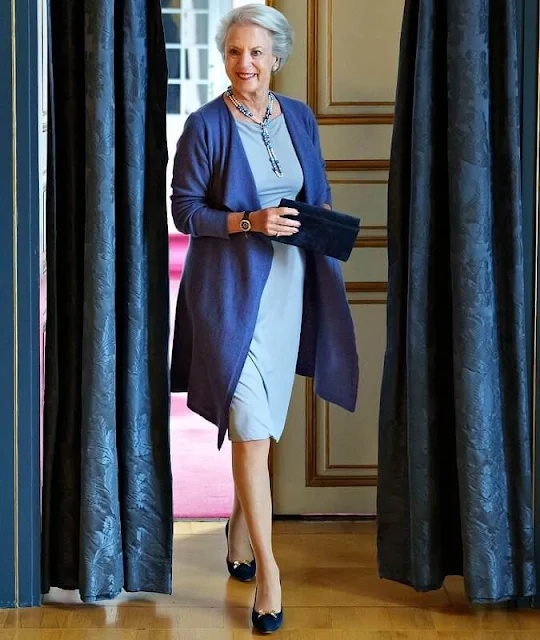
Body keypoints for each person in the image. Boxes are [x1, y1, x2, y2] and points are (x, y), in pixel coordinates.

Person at [170, 3, 358, 634]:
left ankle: (237, 530)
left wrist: (319, 216)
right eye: (233, 52)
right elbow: (186, 214)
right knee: (250, 425)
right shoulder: (204, 126)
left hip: (289, 288)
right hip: (229, 293)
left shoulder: (298, 116)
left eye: (256, 52)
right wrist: (249, 221)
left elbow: (316, 189)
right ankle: (270, 579)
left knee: (265, 425)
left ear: (277, 57)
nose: (244, 63)